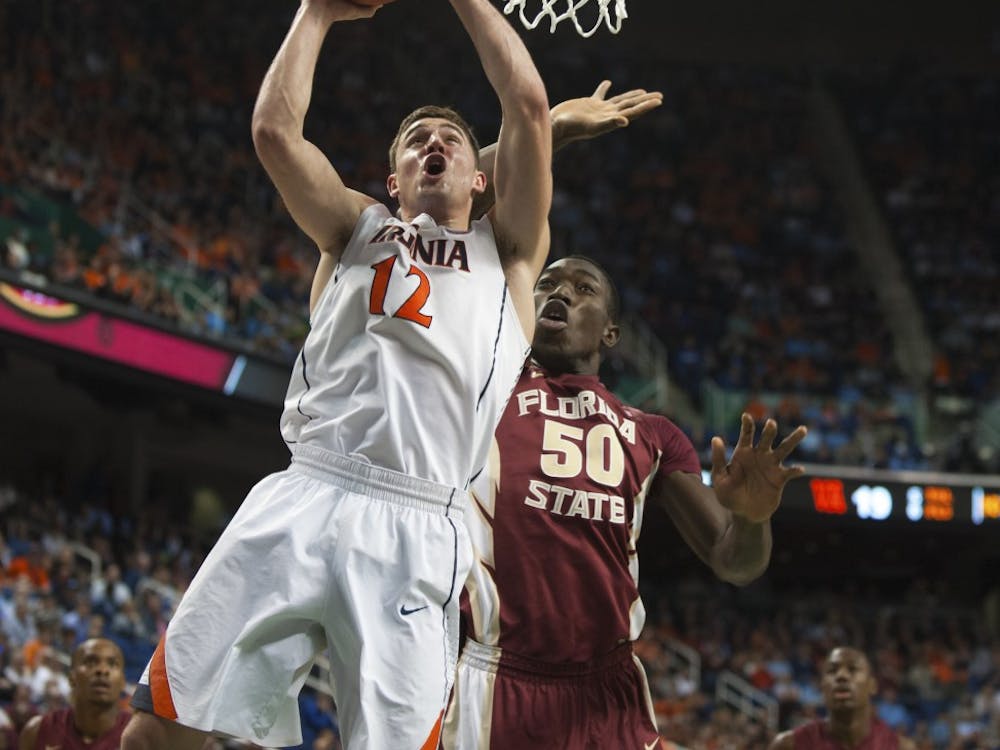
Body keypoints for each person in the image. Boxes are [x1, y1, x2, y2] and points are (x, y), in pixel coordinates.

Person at [121, 0, 553, 748]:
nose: (434, 145)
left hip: (419, 521)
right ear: (393, 179)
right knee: (157, 735)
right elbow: (273, 134)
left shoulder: (507, 252)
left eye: (450, 137)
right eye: (417, 141)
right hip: (305, 492)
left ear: (480, 177)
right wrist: (317, 12)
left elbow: (529, 106)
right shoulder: (352, 228)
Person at [442, 256, 809, 749]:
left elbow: (735, 563)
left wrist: (751, 518)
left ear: (610, 334)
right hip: (496, 678)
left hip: (608, 690)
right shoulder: (476, 395)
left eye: (583, 288)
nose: (561, 294)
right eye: (547, 284)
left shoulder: (654, 435)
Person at [768, 647, 917, 750]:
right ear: (822, 686)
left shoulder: (900, 747)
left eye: (852, 669)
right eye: (832, 670)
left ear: (872, 685)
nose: (841, 676)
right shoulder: (789, 745)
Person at [18, 638, 130, 750]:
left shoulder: (138, 735)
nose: (102, 670)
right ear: (72, 677)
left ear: (123, 682)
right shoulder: (38, 731)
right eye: (90, 662)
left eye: (112, 664)